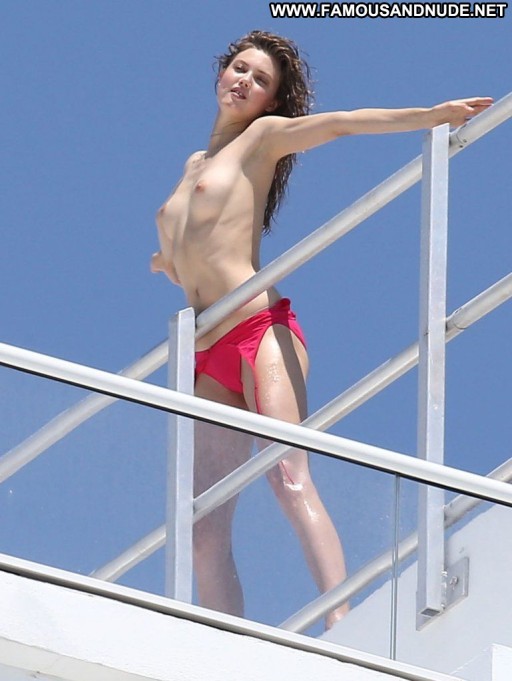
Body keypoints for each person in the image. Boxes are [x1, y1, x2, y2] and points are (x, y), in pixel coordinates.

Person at [151, 30, 492, 629]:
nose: (245, 81)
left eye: (261, 80)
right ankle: (224, 644)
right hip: (206, 352)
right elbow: (187, 251)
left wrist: (429, 115)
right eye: (240, 68)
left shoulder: (261, 138)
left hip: (259, 328)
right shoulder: (191, 167)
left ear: (271, 102)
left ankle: (343, 625)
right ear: (220, 72)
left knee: (287, 475)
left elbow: (340, 125)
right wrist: (168, 261)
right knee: (202, 527)